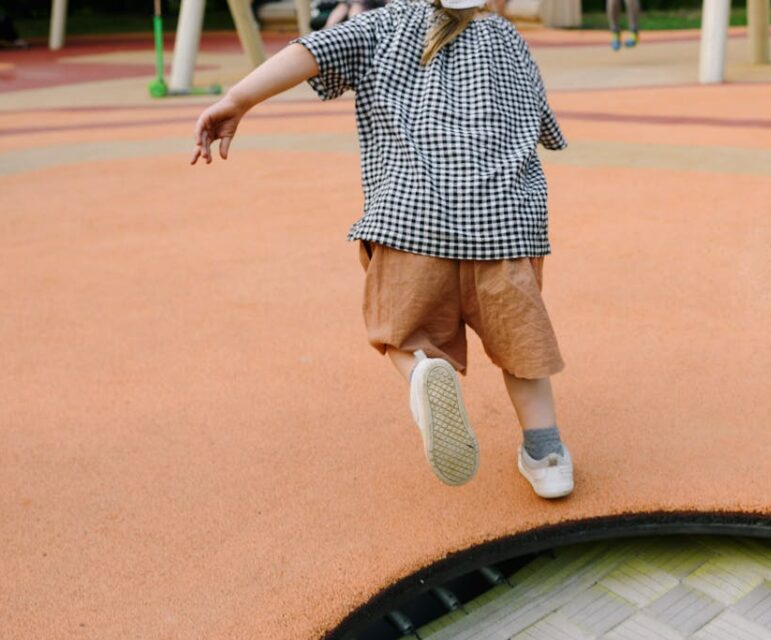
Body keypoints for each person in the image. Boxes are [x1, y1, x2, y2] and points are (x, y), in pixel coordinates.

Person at [190, 0, 574, 499]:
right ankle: (546, 456)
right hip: (504, 228)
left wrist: (238, 99)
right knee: (523, 353)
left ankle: (421, 373)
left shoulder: (383, 24)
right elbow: (543, 129)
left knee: (401, 334)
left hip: (411, 220)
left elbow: (309, 52)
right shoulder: (508, 40)